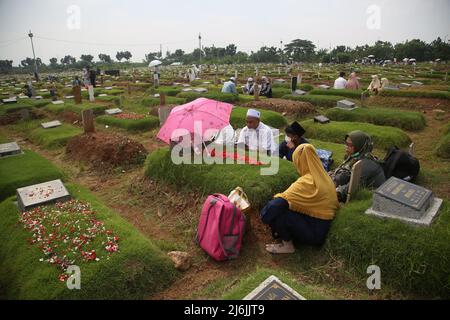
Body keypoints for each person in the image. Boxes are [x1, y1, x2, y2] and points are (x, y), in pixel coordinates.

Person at [261, 144, 339, 254]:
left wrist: (264, 217)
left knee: (279, 213)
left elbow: (276, 205)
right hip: (320, 227)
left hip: (314, 235)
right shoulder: (324, 177)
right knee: (287, 206)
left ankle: (287, 246)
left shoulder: (307, 182)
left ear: (299, 161)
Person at [329, 131, 386, 203]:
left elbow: (351, 188)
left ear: (359, 146)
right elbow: (343, 171)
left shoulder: (365, 164)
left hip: (371, 198)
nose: (346, 147)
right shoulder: (353, 156)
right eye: (346, 144)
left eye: (350, 145)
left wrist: (331, 193)